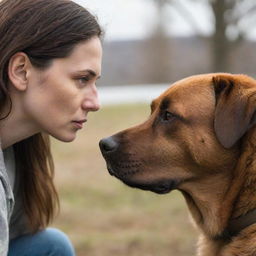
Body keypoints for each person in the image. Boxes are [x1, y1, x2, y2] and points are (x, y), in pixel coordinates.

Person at [0, 0, 103, 255]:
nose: (95, 102)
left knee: (50, 246)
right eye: (82, 79)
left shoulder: (15, 150)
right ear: (21, 71)